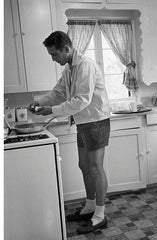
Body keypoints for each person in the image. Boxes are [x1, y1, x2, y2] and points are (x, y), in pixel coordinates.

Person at [29, 31, 110, 233]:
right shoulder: (69, 69)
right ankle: (90, 205)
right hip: (83, 122)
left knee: (95, 167)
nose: (53, 59)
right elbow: (58, 93)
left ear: (66, 49)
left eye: (54, 55)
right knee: (84, 165)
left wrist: (53, 111)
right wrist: (38, 102)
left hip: (96, 120)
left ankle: (100, 215)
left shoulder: (85, 66)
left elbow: (82, 100)